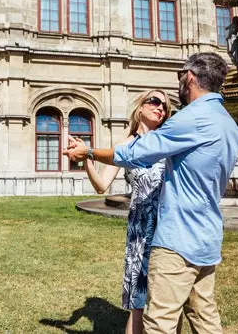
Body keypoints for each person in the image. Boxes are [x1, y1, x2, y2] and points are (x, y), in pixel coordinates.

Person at [63, 53, 238, 333]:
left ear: (190, 77)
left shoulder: (191, 118)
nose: (165, 103)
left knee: (159, 322)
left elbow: (136, 153)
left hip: (176, 239)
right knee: (204, 316)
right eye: (154, 101)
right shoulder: (230, 124)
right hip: (206, 236)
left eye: (180, 78)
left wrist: (88, 151)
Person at [79, 90, 172, 334]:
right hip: (141, 227)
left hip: (169, 223)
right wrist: (86, 158)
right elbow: (101, 185)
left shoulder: (168, 142)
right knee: (138, 300)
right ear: (139, 108)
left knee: (170, 298)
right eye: (154, 101)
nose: (160, 107)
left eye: (165, 105)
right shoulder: (126, 144)